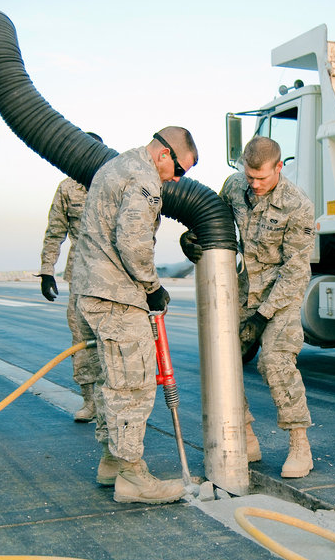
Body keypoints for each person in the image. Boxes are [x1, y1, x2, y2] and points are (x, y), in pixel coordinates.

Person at [71, 127, 198, 504]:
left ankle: (112, 460)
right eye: (179, 170)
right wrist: (152, 286)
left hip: (92, 291)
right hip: (118, 296)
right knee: (133, 384)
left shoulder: (116, 166)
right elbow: (132, 241)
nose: (177, 179)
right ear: (163, 154)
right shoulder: (144, 179)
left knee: (108, 379)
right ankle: (132, 476)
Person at [180, 137, 316, 478]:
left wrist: (262, 317)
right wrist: (190, 237)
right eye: (250, 176)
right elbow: (213, 220)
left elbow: (296, 269)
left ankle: (300, 445)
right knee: (222, 358)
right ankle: (247, 436)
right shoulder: (235, 186)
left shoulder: (297, 205)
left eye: (262, 179)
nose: (254, 185)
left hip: (280, 295)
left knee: (275, 360)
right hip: (243, 290)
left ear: (279, 168)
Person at [36, 132, 103, 424]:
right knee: (81, 340)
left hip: (113, 275)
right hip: (79, 276)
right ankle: (90, 402)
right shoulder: (67, 188)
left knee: (113, 342)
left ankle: (112, 403)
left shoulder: (114, 184)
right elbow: (55, 232)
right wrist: (47, 271)